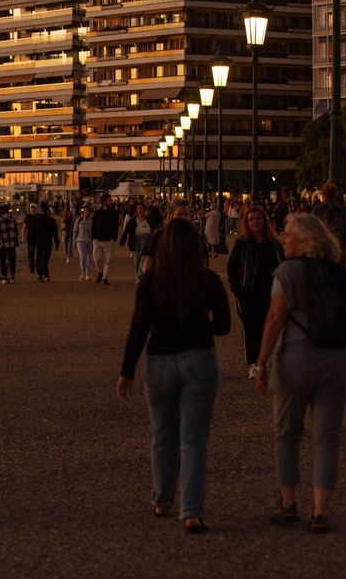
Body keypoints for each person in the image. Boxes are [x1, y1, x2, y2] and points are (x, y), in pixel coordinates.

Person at [116, 218, 231, 535]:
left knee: (162, 434)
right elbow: (223, 326)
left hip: (160, 360)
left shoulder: (151, 281)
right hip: (199, 358)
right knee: (193, 439)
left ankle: (162, 499)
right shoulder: (208, 280)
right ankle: (191, 511)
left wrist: (126, 372)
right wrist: (197, 326)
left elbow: (138, 328)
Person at [254, 213, 346, 535]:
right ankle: (319, 511)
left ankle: (289, 504)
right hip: (337, 359)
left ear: (304, 240)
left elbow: (275, 318)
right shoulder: (337, 272)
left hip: (297, 359)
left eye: (288, 235)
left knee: (287, 432)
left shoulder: (286, 271)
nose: (282, 239)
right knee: (326, 438)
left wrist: (260, 363)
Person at [227, 206, 284, 380]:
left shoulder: (274, 244)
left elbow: (283, 265)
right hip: (248, 292)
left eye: (258, 218)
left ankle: (266, 360)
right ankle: (253, 363)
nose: (255, 222)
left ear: (264, 220)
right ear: (247, 223)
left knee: (270, 326)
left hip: (271, 292)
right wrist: (237, 289)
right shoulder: (242, 244)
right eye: (251, 219)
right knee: (250, 328)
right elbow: (232, 267)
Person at [312, 183, 346, 266]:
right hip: (339, 246)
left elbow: (311, 229)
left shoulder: (317, 210)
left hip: (323, 248)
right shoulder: (340, 209)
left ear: (323, 194)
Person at [120, 201, 155, 278]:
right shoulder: (133, 220)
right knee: (137, 259)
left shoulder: (148, 220)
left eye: (141, 208)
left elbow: (153, 230)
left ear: (144, 209)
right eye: (138, 208)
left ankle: (142, 275)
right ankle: (138, 277)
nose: (139, 209)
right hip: (136, 240)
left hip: (146, 240)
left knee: (143, 258)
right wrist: (122, 241)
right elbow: (127, 230)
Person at [91, 194, 120, 285]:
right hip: (98, 240)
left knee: (109, 260)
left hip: (109, 240)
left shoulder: (114, 213)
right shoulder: (97, 213)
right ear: (104, 202)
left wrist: (114, 237)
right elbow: (94, 225)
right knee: (96, 259)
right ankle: (100, 271)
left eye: (111, 200)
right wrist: (93, 237)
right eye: (109, 200)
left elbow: (116, 225)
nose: (111, 201)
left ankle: (105, 278)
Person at [31, 202, 60, 282]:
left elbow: (33, 232)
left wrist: (31, 243)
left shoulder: (37, 219)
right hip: (47, 242)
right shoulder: (52, 220)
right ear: (48, 210)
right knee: (45, 259)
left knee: (39, 258)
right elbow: (55, 233)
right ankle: (44, 274)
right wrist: (57, 243)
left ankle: (40, 275)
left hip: (39, 241)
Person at [0, 204, 19, 284]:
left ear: (2, 211)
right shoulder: (13, 219)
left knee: (2, 261)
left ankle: (4, 277)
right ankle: (12, 277)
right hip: (12, 244)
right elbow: (17, 232)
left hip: (2, 244)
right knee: (12, 260)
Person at [74, 204, 95, 279]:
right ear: (83, 212)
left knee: (89, 257)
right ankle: (82, 272)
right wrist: (74, 241)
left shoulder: (93, 220)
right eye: (85, 211)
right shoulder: (79, 220)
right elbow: (75, 231)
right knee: (83, 256)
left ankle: (87, 274)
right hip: (80, 240)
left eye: (88, 211)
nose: (87, 212)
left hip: (90, 240)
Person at [22, 203, 42, 276]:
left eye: (34, 208)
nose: (32, 209)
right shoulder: (27, 217)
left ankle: (38, 268)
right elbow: (24, 228)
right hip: (30, 239)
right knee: (31, 255)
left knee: (39, 254)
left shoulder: (40, 217)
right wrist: (23, 237)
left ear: (36, 209)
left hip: (39, 239)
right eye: (31, 208)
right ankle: (32, 269)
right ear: (29, 209)